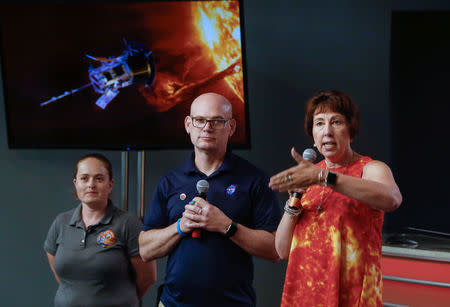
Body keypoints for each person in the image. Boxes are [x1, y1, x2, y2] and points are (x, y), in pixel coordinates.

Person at [139, 92, 281, 307]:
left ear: (231, 127)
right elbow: (145, 250)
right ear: (188, 124)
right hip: (173, 303)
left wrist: (226, 226)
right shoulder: (170, 181)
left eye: (216, 121)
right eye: (200, 120)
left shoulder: (254, 179)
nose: (207, 127)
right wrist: (180, 226)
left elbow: (275, 249)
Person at [269, 90, 402, 307]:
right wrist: (294, 199)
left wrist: (324, 177)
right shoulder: (309, 174)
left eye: (336, 122)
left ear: (351, 130)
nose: (327, 131)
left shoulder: (370, 168)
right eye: (319, 123)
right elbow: (282, 250)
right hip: (303, 294)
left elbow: (392, 199)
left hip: (351, 297)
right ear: (312, 133)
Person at [44, 153, 156, 307]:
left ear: (110, 184)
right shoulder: (61, 222)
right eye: (84, 178)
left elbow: (147, 278)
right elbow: (61, 275)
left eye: (99, 178)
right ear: (76, 183)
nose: (91, 184)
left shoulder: (128, 223)